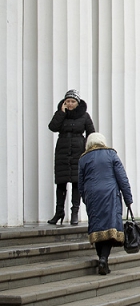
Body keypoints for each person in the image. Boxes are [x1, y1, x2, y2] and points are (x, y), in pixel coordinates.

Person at [78, 133, 133, 275]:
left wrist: (86, 198)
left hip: (93, 197)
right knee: (110, 229)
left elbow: (80, 183)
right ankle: (103, 259)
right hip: (110, 196)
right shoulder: (111, 154)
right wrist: (128, 199)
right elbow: (122, 178)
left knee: (97, 229)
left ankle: (103, 261)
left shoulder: (83, 158)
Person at [48, 89, 96, 225]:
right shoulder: (61, 114)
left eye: (72, 101)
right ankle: (59, 212)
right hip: (62, 151)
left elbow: (91, 132)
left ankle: (75, 211)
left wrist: (87, 148)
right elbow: (52, 127)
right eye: (67, 101)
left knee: (76, 182)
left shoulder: (84, 116)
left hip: (78, 151)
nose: (70, 104)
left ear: (77, 102)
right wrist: (61, 113)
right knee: (61, 183)